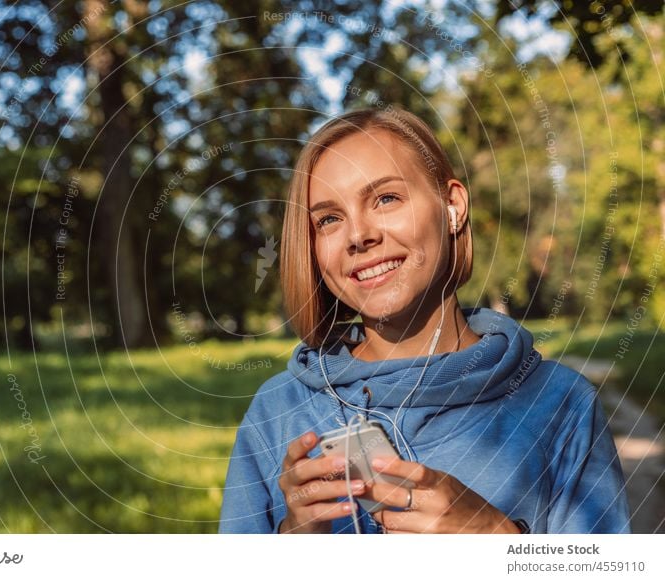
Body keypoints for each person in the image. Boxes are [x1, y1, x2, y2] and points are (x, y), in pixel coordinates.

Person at [218, 108, 630, 534]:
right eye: (329, 219)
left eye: (386, 198)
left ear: (452, 207)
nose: (358, 235)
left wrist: (496, 537)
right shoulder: (278, 411)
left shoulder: (560, 404)